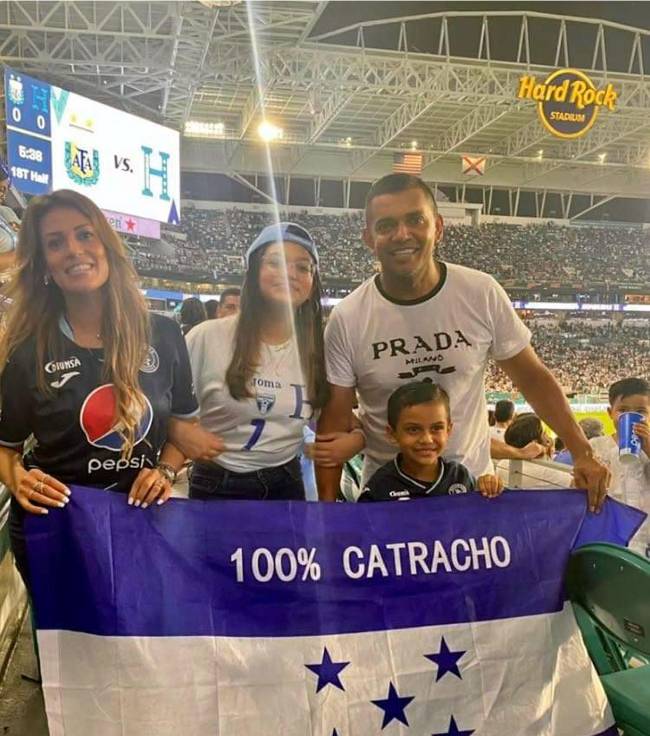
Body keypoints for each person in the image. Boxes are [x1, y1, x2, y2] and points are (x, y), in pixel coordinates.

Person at [317, 173, 609, 511]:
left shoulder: (480, 292)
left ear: (438, 227)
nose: (402, 234)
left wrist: (582, 452)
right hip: (388, 500)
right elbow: (335, 422)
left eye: (416, 220)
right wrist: (327, 513)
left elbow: (531, 377)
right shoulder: (348, 317)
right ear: (369, 238)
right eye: (386, 225)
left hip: (475, 494)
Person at [0, 189, 219, 585]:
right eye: (55, 243)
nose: (73, 250)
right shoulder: (27, 348)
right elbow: (6, 446)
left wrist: (165, 471)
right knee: (63, 628)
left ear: (106, 244)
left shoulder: (164, 333)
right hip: (56, 526)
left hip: (136, 520)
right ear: (44, 263)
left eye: (85, 234)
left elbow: (182, 429)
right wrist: (17, 478)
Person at [185, 222, 329, 500]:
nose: (290, 273)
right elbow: (161, 406)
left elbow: (337, 414)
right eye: (276, 262)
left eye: (303, 267)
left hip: (287, 482)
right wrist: (179, 431)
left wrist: (357, 438)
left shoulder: (317, 348)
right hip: (217, 482)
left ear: (313, 284)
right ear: (253, 272)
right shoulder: (206, 337)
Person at [358, 381, 503, 501]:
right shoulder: (380, 486)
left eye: (436, 428)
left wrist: (488, 488)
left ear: (448, 430)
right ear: (392, 434)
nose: (427, 439)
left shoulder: (460, 476)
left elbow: (479, 520)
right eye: (413, 429)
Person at [588, 377, 650, 558]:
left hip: (645, 537)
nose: (631, 416)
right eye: (622, 410)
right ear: (610, 412)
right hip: (608, 537)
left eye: (641, 411)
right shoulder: (596, 446)